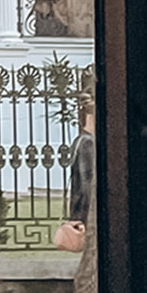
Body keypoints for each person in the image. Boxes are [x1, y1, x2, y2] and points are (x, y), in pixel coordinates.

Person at [56, 96, 96, 252]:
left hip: (78, 206)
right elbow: (87, 182)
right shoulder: (88, 143)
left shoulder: (79, 140)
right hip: (85, 209)